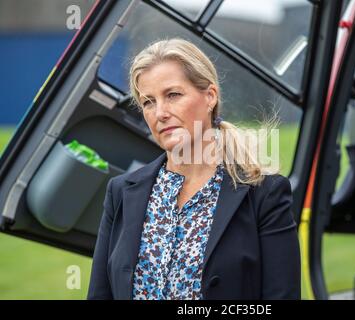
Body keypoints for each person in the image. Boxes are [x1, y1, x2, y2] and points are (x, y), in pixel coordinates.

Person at [87, 38, 300, 300]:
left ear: (210, 96)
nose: (160, 113)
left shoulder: (265, 194)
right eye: (148, 102)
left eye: (173, 95)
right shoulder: (120, 192)